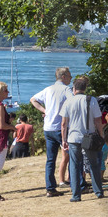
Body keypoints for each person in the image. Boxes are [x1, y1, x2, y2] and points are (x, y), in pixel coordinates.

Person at [30, 66, 73, 198]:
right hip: (61, 127)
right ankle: (76, 184)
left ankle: (50, 188)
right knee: (73, 155)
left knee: (50, 160)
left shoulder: (48, 89)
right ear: (63, 77)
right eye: (69, 76)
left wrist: (45, 110)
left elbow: (33, 99)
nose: (71, 78)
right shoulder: (66, 89)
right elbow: (73, 103)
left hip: (48, 128)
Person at [62, 75, 105, 201]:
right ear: (85, 88)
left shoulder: (68, 101)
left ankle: (76, 195)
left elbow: (64, 123)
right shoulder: (91, 100)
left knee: (75, 166)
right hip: (89, 137)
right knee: (93, 164)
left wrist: (63, 140)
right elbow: (98, 120)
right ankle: (98, 191)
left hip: (73, 137)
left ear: (74, 89)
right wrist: (101, 134)